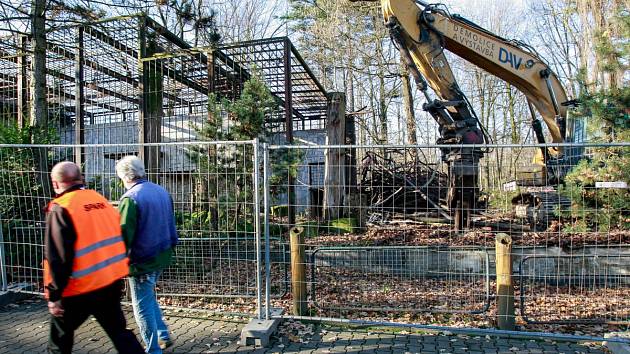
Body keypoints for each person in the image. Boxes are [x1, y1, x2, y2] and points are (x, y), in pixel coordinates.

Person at [44, 161, 145, 354]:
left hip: (78, 289)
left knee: (59, 343)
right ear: (80, 178)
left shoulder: (61, 208)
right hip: (109, 282)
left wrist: (54, 296)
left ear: (55, 184)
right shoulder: (99, 200)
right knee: (119, 333)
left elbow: (58, 258)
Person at [116, 156, 179, 353]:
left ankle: (153, 350)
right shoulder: (160, 190)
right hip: (163, 253)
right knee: (148, 297)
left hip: (143, 261)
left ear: (124, 176)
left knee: (141, 307)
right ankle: (163, 335)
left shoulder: (130, 199)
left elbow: (123, 234)